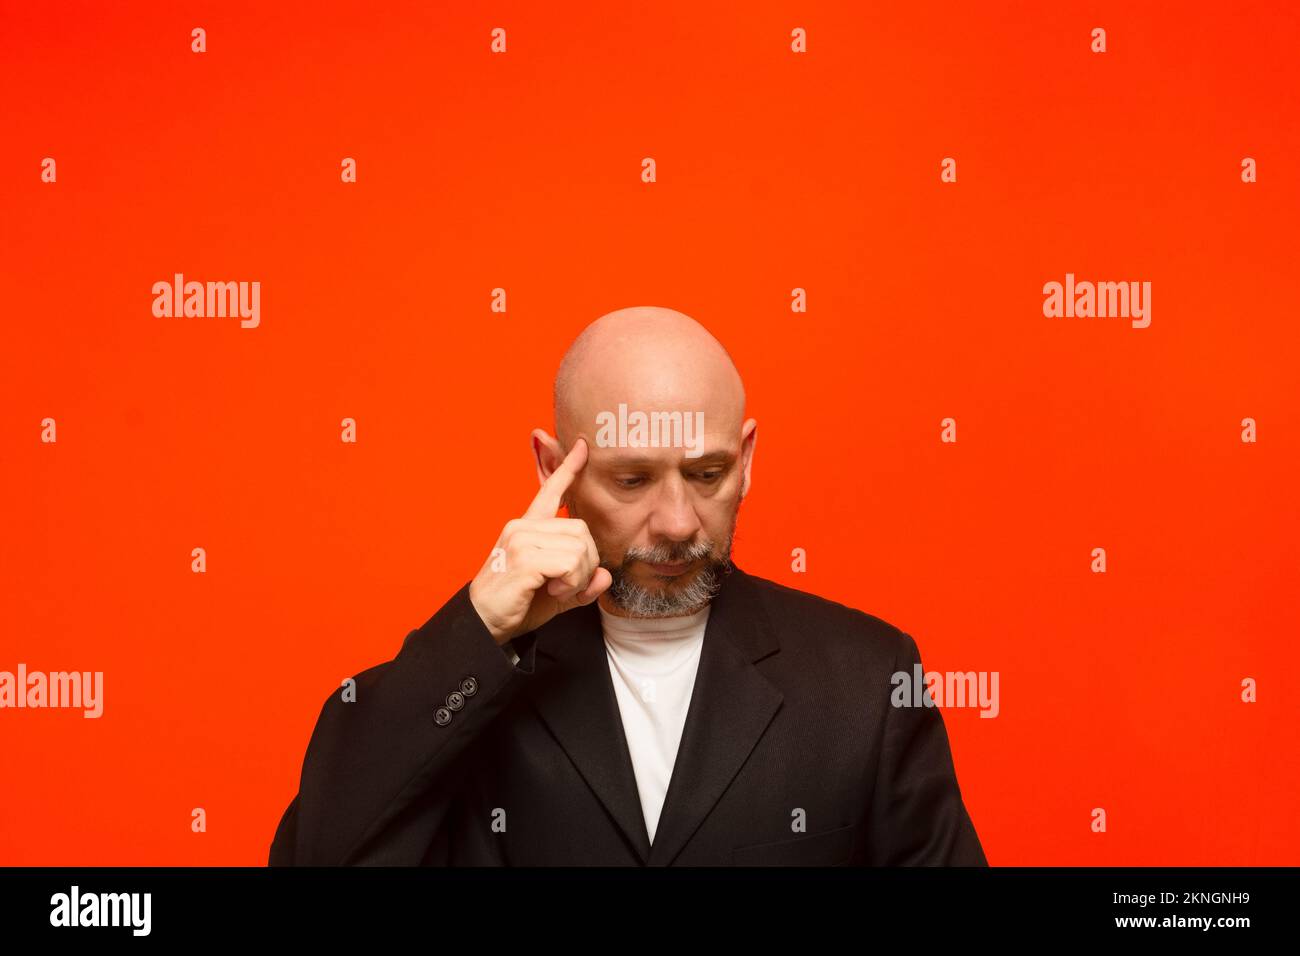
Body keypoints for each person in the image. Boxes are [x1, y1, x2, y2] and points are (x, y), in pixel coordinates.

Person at [268, 306, 988, 866]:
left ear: (748, 459)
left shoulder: (869, 681)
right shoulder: (475, 682)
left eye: (707, 475)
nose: (677, 522)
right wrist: (478, 630)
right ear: (554, 467)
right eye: (632, 479)